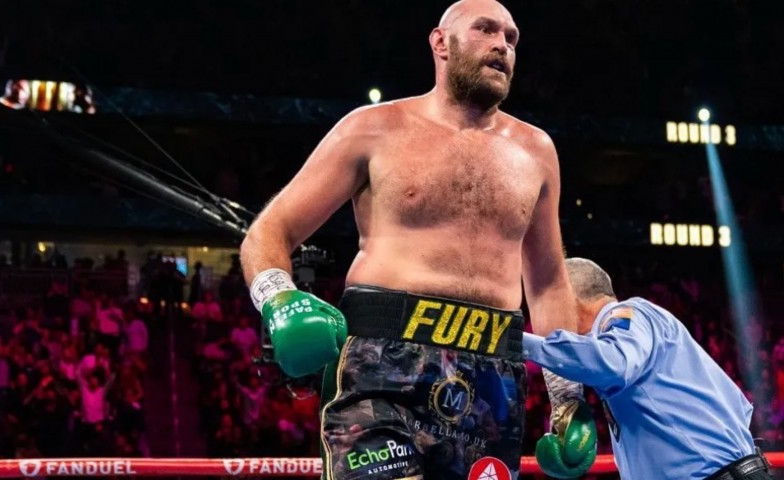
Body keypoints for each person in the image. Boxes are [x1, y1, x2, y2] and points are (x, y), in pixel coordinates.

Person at [240, 0, 596, 478]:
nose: (502, 46)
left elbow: (550, 282)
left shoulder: (537, 151)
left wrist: (566, 398)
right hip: (384, 365)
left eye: (511, 39)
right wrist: (278, 298)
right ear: (440, 42)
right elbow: (269, 230)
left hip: (492, 380)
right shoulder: (373, 128)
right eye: (486, 30)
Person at [523, 258, 773, 480]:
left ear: (567, 299)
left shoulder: (629, 314)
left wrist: (517, 341)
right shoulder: (612, 336)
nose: (546, 323)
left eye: (549, 307)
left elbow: (614, 363)